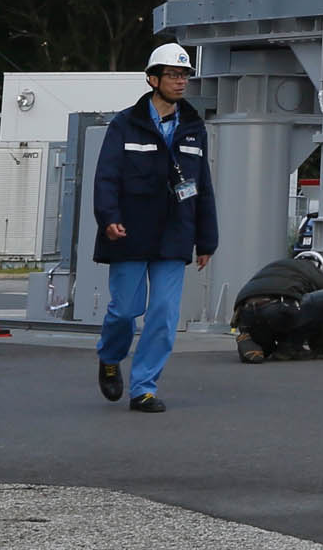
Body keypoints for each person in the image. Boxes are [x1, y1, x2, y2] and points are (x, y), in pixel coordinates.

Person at [93, 43, 217, 413]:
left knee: (163, 314)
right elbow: (106, 176)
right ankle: (111, 357)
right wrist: (109, 217)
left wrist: (207, 238)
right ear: (152, 79)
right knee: (125, 311)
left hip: (175, 233)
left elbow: (204, 185)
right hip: (129, 231)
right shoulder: (124, 124)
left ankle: (143, 387)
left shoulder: (194, 129)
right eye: (173, 75)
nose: (181, 82)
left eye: (184, 75)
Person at [232, 245, 323, 361]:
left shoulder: (277, 266)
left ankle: (252, 341)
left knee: (266, 349)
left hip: (244, 312)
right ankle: (289, 347)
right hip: (276, 308)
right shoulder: (310, 269)